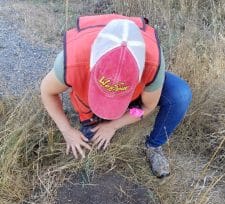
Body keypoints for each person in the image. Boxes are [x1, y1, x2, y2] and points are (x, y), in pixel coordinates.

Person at [40, 14, 192, 178]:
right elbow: (47, 92)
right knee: (90, 139)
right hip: (88, 99)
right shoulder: (72, 61)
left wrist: (113, 125)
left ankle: (154, 146)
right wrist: (67, 130)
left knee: (180, 95)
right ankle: (94, 115)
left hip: (136, 98)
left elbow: (145, 108)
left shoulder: (152, 63)